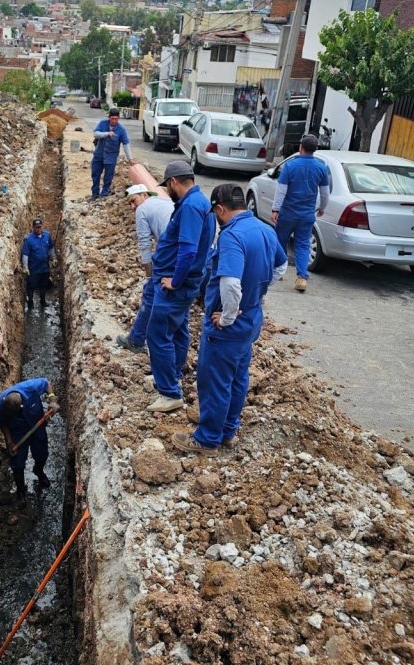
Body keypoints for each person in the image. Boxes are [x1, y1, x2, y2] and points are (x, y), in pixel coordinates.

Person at [172, 184, 287, 456]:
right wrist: (256, 293)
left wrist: (227, 316)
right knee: (237, 377)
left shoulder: (232, 236)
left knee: (214, 381)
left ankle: (207, 439)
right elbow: (281, 267)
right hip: (250, 320)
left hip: (227, 328)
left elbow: (231, 282)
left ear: (221, 209)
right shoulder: (265, 230)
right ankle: (228, 431)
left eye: (215, 213)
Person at [146, 160, 216, 413]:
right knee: (177, 329)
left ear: (174, 182)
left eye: (168, 186)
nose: (168, 190)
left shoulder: (191, 207)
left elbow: (188, 250)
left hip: (175, 286)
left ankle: (169, 392)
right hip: (184, 283)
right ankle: (171, 374)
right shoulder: (199, 202)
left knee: (157, 334)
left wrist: (174, 281)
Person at [116, 184, 175, 354]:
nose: (132, 207)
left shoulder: (143, 209)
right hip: (188, 255)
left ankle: (136, 340)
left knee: (150, 295)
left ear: (144, 194)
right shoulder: (166, 202)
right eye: (129, 204)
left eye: (133, 201)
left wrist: (149, 276)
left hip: (170, 254)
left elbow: (144, 245)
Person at [270, 134, 330, 293]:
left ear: (301, 147)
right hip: (307, 214)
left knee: (280, 240)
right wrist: (322, 207)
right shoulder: (321, 168)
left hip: (288, 213)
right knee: (303, 244)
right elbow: (325, 193)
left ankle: (279, 269)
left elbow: (281, 191)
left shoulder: (290, 166)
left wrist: (275, 209)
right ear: (315, 149)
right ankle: (302, 278)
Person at [0, 377, 59, 497]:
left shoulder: (30, 387)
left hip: (37, 425)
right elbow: (3, 424)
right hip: (17, 432)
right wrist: (9, 441)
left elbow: (46, 383)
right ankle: (20, 488)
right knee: (17, 464)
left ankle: (39, 471)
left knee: (42, 455)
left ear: (21, 406)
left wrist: (53, 399)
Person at [91, 107, 136, 200]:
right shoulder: (102, 123)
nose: (114, 121)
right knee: (95, 174)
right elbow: (96, 134)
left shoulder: (121, 129)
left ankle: (104, 194)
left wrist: (130, 158)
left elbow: (126, 144)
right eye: (112, 119)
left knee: (108, 177)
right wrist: (107, 133)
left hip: (111, 157)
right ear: (109, 117)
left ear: (118, 119)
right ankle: (95, 194)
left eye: (116, 119)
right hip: (99, 155)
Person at [22, 217, 56, 309]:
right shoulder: (29, 239)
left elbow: (51, 248)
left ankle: (43, 301)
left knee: (43, 285)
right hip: (34, 268)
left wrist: (53, 258)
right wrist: (25, 267)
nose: (38, 229)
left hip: (45, 267)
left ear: (42, 227)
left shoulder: (47, 235)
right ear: (33, 228)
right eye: (36, 227)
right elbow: (25, 254)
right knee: (31, 285)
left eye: (40, 227)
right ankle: (30, 302)